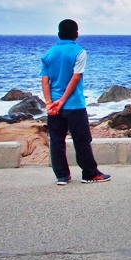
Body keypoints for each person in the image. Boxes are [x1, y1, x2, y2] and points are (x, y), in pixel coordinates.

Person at [41, 19, 111, 186]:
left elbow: (45, 81)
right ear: (76, 34)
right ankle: (90, 173)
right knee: (82, 140)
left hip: (54, 106)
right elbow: (76, 77)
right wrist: (63, 100)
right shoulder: (79, 52)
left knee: (57, 141)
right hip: (74, 105)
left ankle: (62, 176)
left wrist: (50, 103)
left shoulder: (48, 54)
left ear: (58, 34)